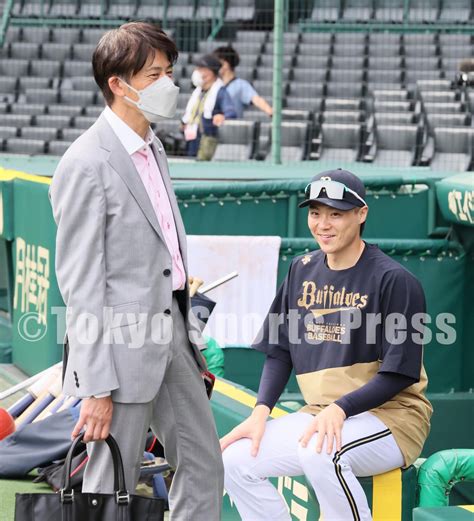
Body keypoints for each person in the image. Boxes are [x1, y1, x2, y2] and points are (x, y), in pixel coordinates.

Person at [49, 22, 223, 521]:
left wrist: (188, 339)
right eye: (155, 74)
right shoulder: (84, 163)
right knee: (110, 483)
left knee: (205, 466)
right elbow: (80, 284)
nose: (169, 84)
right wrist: (96, 387)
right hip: (117, 350)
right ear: (118, 85)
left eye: (170, 71)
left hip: (172, 333)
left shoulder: (155, 146)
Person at [221, 169, 433, 521]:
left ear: (361, 214)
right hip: (324, 413)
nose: (323, 224)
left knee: (321, 452)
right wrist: (260, 413)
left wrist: (340, 409)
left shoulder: (395, 280)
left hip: (392, 419)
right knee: (235, 459)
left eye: (336, 213)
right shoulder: (301, 269)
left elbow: (399, 373)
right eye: (315, 213)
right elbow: (280, 350)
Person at [181, 53, 236, 160]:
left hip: (206, 140)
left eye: (201, 69)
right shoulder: (199, 91)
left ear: (211, 72)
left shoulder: (220, 91)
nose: (197, 72)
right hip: (191, 136)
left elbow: (231, 111)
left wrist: (222, 116)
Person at [214, 45, 273, 118]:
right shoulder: (215, 84)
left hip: (230, 126)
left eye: (218, 63)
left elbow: (256, 99)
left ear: (226, 64)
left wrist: (269, 110)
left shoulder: (240, 84)